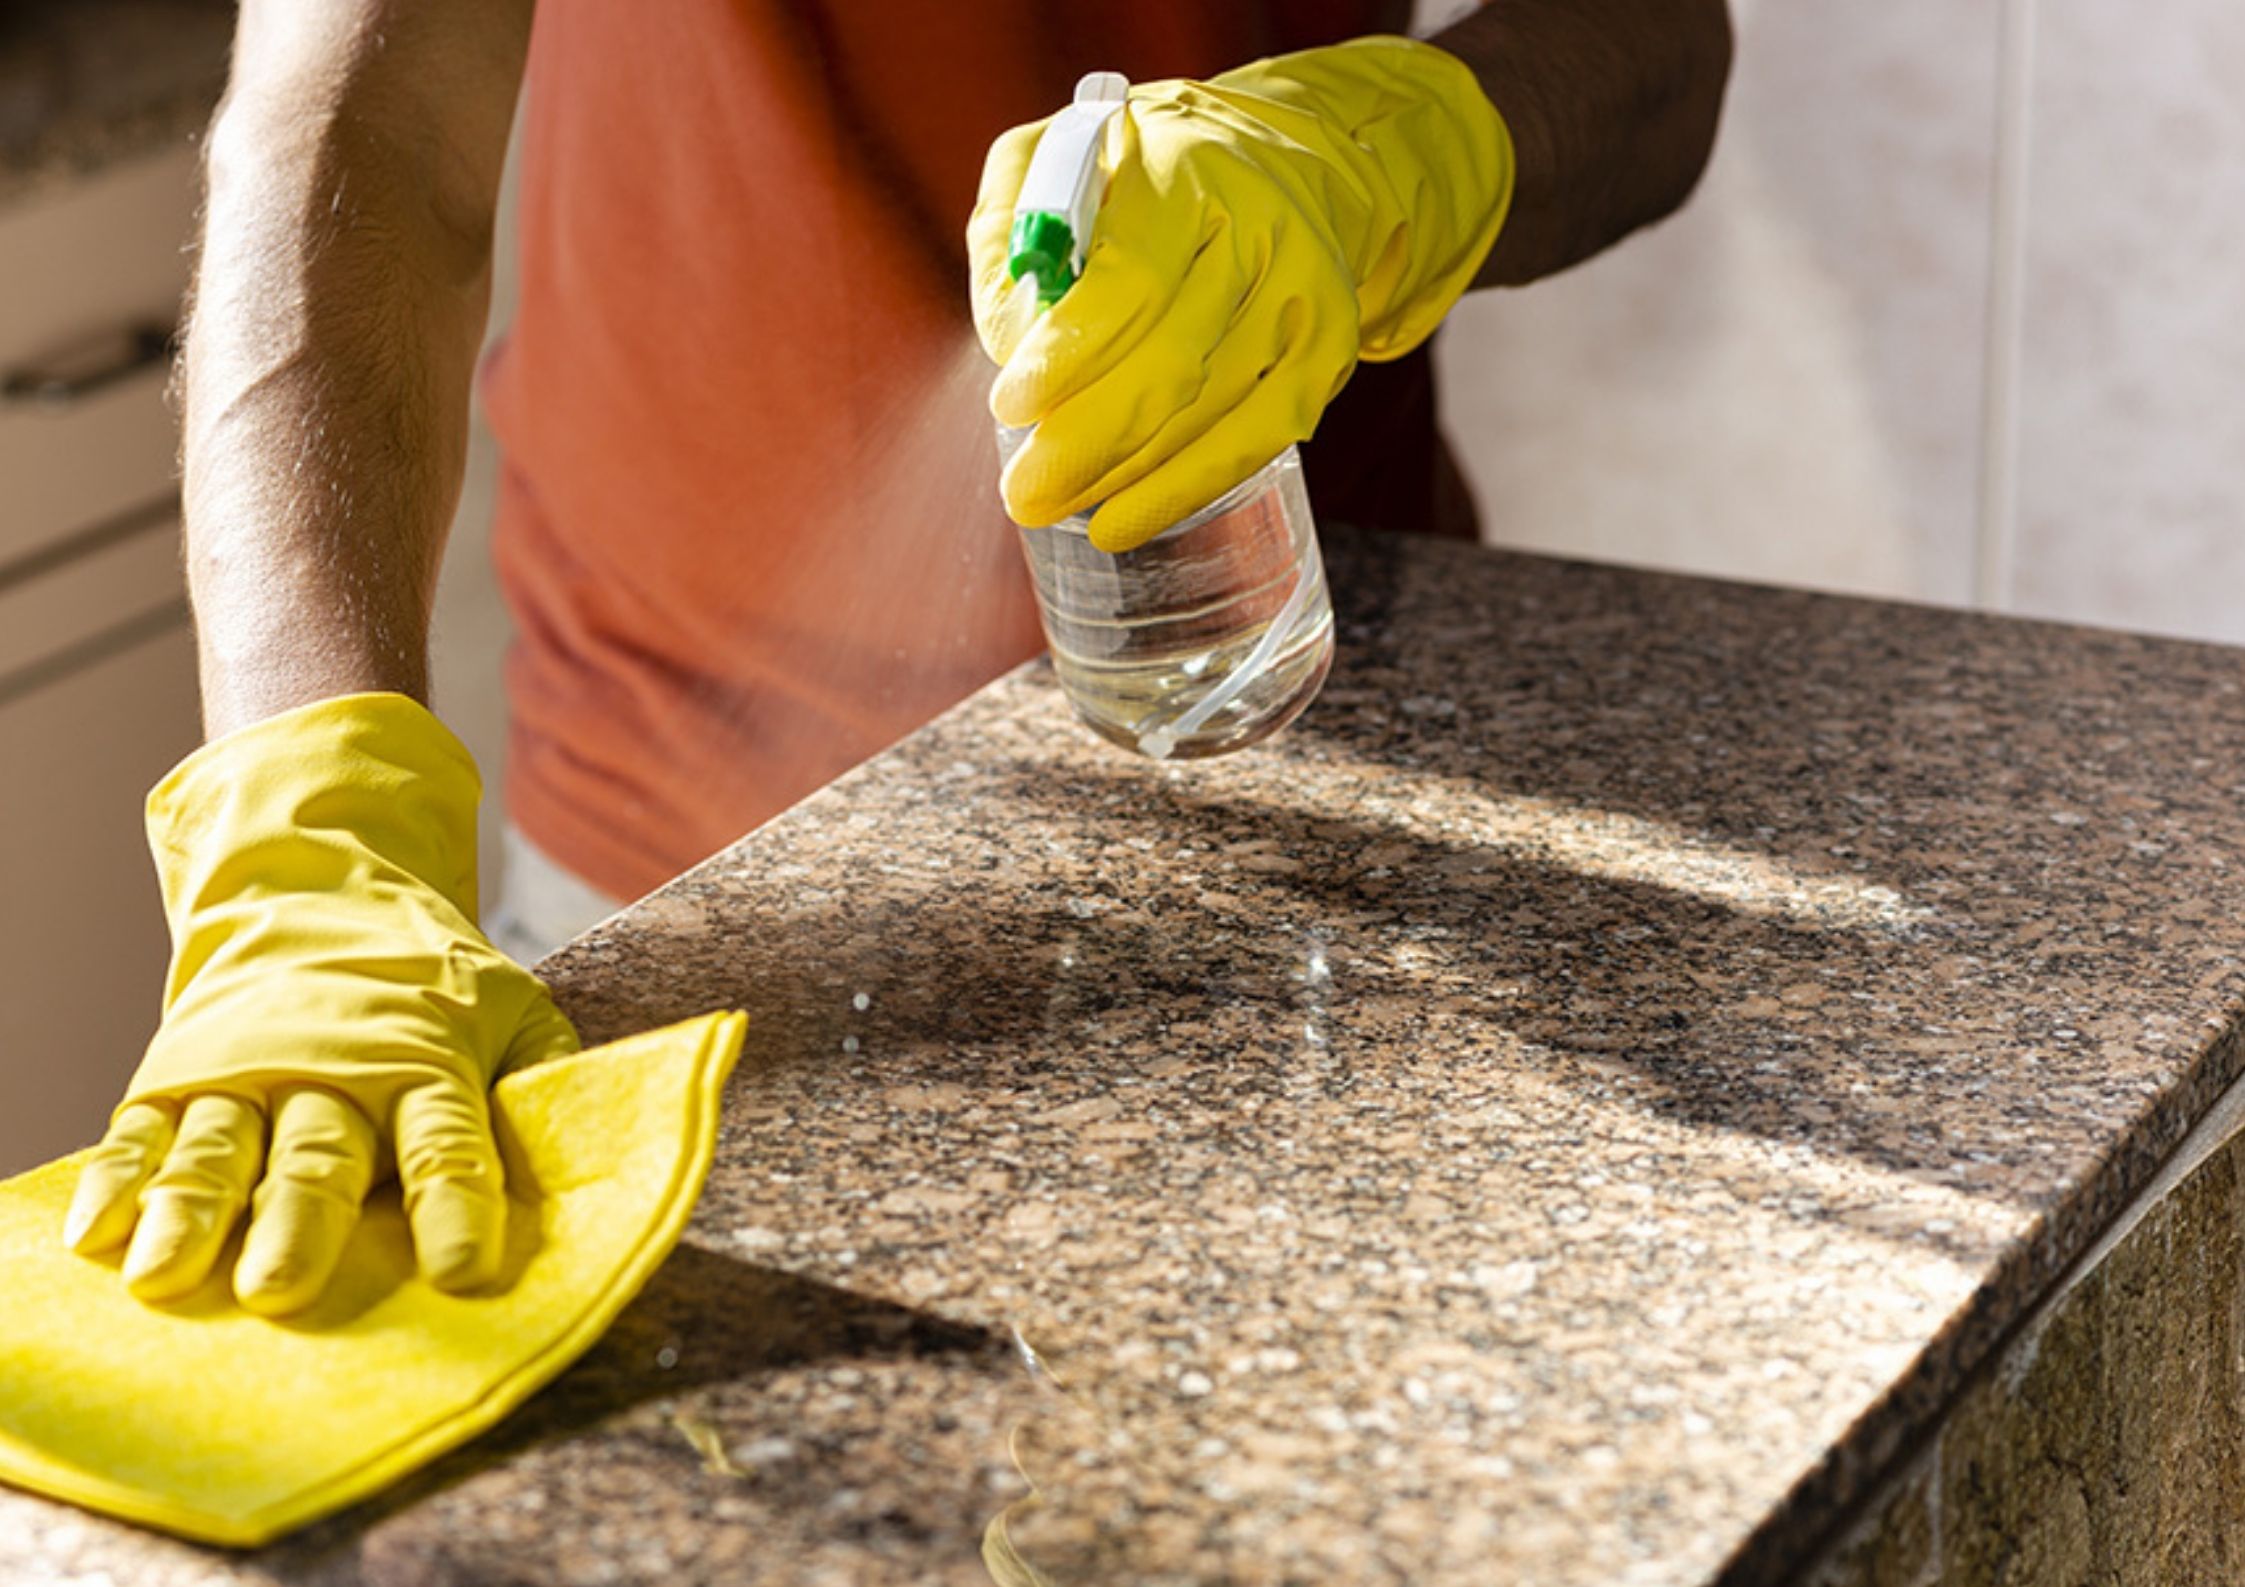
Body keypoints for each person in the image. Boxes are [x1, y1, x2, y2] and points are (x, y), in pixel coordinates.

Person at [62, 1, 1732, 1314]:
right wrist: (310, 822)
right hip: (693, 888)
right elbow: (352, 119)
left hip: (1342, 801)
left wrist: (1377, 159)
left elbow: (1653, 43)